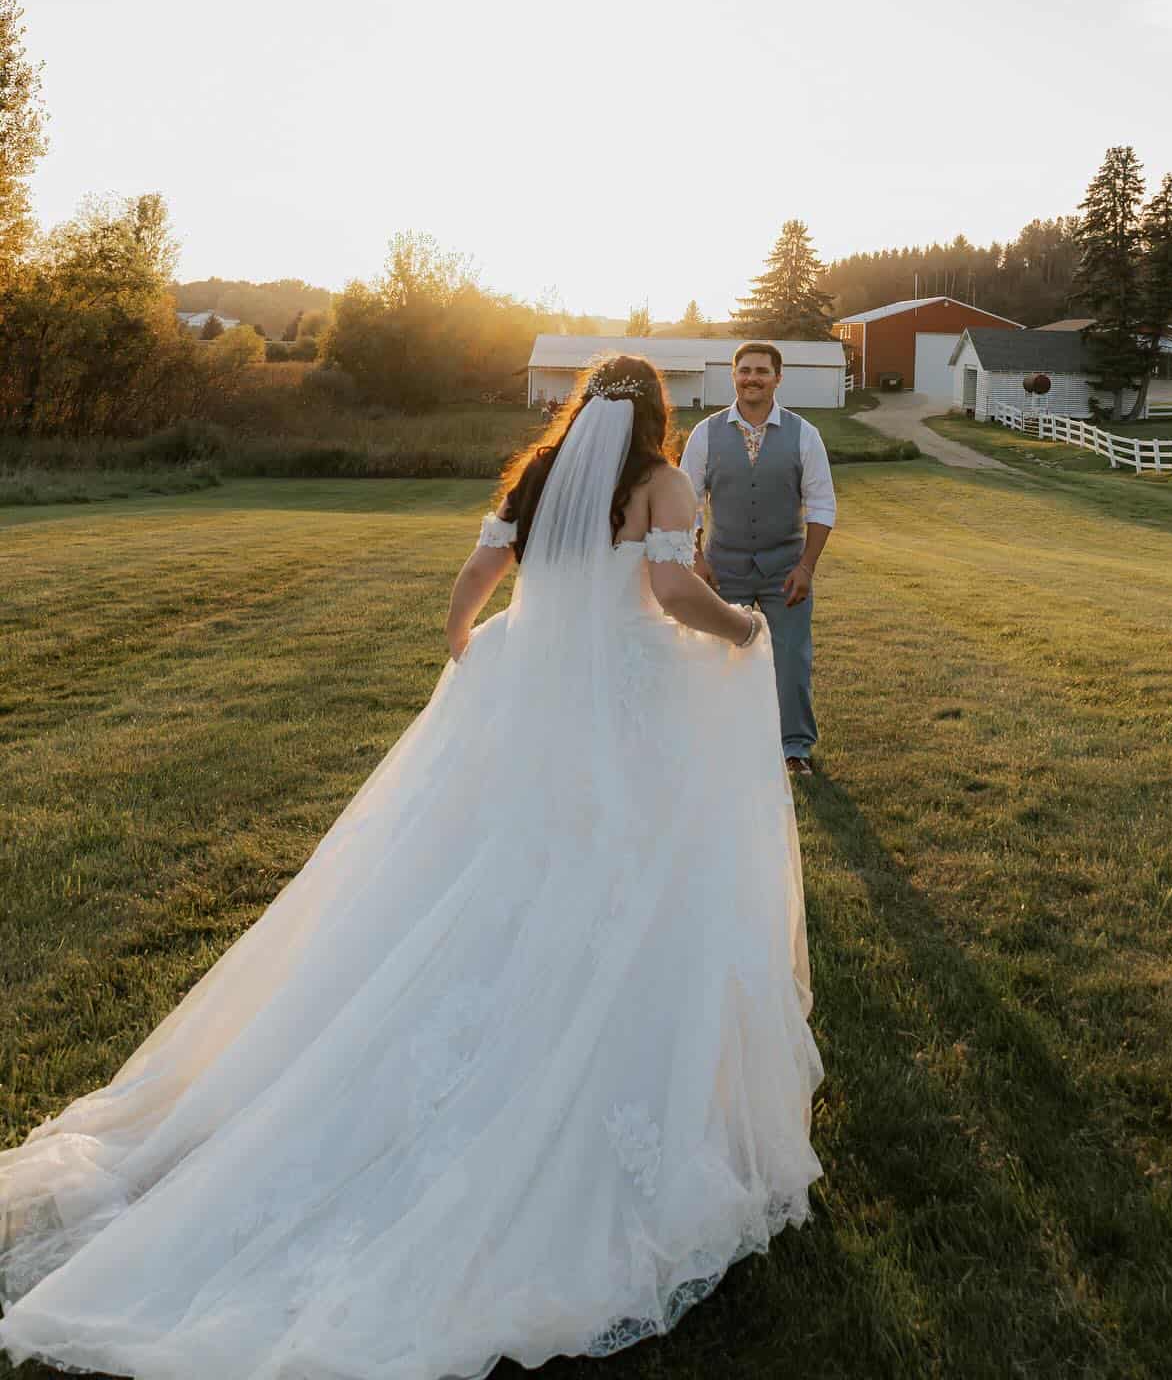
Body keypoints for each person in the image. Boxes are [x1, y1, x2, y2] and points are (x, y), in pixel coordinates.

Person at [0, 356, 823, 1380]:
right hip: (618, 699)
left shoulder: (537, 475)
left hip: (533, 692)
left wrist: (465, 640)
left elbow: (476, 581)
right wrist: (741, 626)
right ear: (656, 415)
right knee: (623, 877)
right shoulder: (659, 481)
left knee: (490, 869)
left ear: (582, 411)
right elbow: (666, 587)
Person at [678, 343, 836, 779]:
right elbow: (686, 502)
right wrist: (695, 557)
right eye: (744, 370)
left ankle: (794, 748)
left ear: (777, 378)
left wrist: (806, 567)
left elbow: (822, 505)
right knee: (713, 654)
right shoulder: (705, 434)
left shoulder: (804, 434)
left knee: (791, 659)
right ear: (733, 376)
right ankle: (713, 739)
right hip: (720, 569)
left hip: (785, 571)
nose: (753, 378)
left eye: (762, 371)